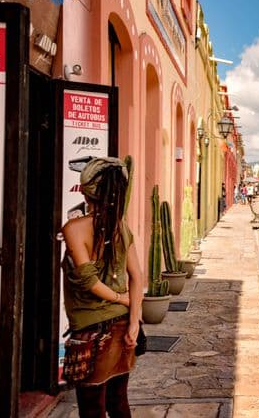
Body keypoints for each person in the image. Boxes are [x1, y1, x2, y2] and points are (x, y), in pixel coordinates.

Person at [61, 157, 143, 417]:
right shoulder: (121, 228)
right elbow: (138, 277)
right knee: (118, 401)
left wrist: (123, 299)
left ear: (86, 191)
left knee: (92, 406)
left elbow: (89, 282)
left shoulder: (74, 228)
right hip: (122, 328)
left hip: (92, 332)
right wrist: (133, 321)